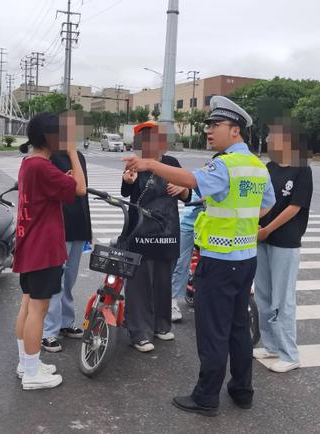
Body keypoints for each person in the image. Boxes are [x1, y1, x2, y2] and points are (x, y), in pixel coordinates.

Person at [124, 96, 275, 416]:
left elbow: (192, 181)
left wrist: (150, 163)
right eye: (208, 126)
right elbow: (266, 205)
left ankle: (206, 397)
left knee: (213, 332)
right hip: (246, 257)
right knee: (237, 328)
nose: (209, 131)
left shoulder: (225, 164)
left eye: (215, 126)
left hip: (219, 259)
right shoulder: (257, 166)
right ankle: (242, 390)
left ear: (235, 130)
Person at [13, 112, 86, 390]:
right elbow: (80, 189)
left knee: (28, 306)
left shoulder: (30, 163)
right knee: (38, 311)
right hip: (44, 249)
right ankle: (32, 374)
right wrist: (72, 151)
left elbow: (55, 190)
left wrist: (63, 177)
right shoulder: (43, 167)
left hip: (28, 246)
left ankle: (26, 363)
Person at [121, 121, 190, 353]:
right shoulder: (135, 162)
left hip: (167, 231)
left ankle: (161, 325)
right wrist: (128, 180)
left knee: (163, 281)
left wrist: (183, 190)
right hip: (140, 231)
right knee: (139, 284)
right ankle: (139, 332)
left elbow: (187, 192)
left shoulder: (171, 163)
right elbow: (126, 189)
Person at [253, 114, 313, 373]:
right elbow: (264, 203)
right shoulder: (270, 168)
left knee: (283, 299)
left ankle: (290, 354)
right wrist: (255, 224)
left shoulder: (302, 169)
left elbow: (295, 207)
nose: (267, 140)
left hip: (285, 242)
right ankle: (271, 346)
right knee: (264, 295)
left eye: (270, 136)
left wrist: (266, 229)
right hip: (263, 239)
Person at [41, 148, 93, 352]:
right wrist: (61, 181)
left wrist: (88, 229)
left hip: (78, 225)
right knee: (56, 280)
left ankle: (65, 323)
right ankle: (49, 332)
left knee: (69, 279)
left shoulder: (78, 156)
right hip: (59, 225)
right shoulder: (49, 156)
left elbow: (83, 191)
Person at [170, 189, 203, 322]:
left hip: (212, 227)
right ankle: (172, 303)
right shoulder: (203, 177)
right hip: (190, 225)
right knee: (181, 263)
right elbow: (189, 197)